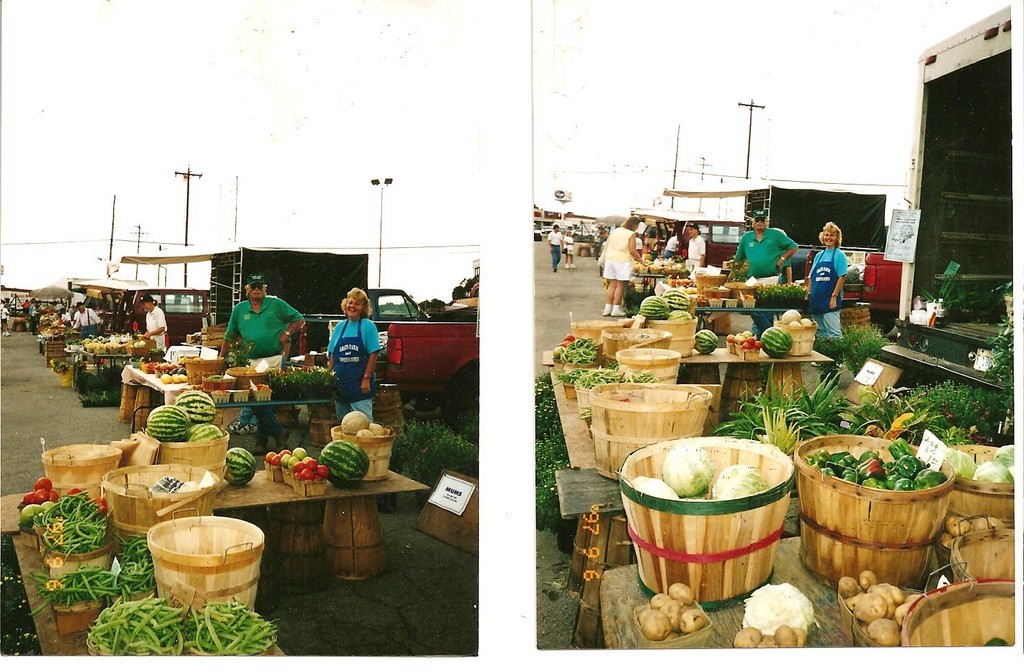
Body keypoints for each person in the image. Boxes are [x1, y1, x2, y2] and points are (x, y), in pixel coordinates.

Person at [220, 273, 305, 453]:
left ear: (265, 289)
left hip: (272, 360)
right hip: (250, 363)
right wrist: (221, 359)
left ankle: (262, 441)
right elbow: (229, 335)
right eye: (253, 286)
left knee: (266, 401)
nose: (257, 290)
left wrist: (287, 334)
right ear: (247, 290)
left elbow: (299, 319)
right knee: (255, 400)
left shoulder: (276, 304)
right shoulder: (240, 309)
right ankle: (278, 433)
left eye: (260, 287)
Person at [732, 209, 798, 336]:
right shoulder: (746, 237)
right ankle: (769, 335)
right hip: (752, 280)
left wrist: (782, 259)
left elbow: (793, 246)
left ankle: (763, 338)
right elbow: (738, 259)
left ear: (767, 222)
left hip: (771, 280)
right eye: (757, 219)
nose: (760, 222)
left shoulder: (775, 235)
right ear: (752, 222)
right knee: (753, 309)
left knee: (767, 311)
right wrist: (733, 277)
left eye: (763, 220)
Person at [328, 288, 382, 422]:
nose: (352, 306)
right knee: (344, 425)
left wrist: (366, 379)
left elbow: (373, 354)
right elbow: (333, 354)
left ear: (363, 307)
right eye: (350, 302)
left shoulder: (368, 326)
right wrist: (327, 377)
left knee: (363, 424)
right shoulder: (340, 327)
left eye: (357, 304)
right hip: (340, 386)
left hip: (359, 387)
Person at [808, 221, 848, 340]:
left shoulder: (839, 255)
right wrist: (808, 294)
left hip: (830, 299)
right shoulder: (819, 255)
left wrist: (834, 297)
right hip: (816, 298)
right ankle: (824, 356)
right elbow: (811, 277)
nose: (828, 238)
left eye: (831, 235)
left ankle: (838, 357)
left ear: (836, 238)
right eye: (826, 235)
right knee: (820, 332)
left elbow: (842, 277)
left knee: (834, 334)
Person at [600, 216, 643, 317]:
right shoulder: (631, 234)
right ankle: (616, 309)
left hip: (610, 260)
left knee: (612, 285)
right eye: (637, 226)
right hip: (623, 261)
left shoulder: (616, 231)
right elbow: (632, 250)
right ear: (634, 225)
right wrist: (641, 261)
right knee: (620, 286)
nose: (637, 228)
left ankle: (607, 308)